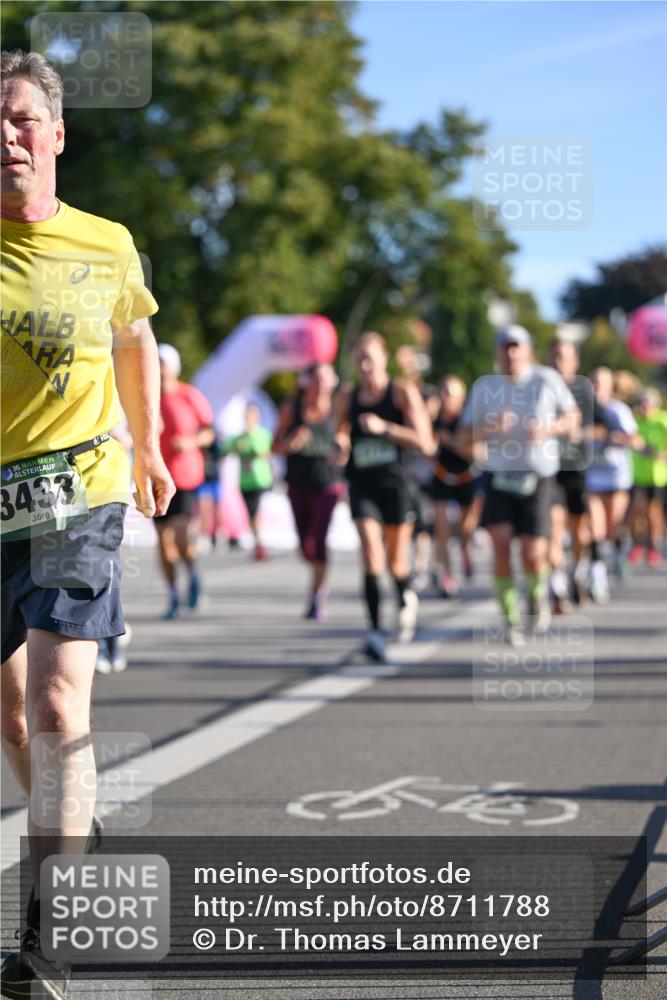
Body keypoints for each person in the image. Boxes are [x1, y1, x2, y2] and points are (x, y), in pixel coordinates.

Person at [1, 50, 174, 998]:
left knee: (59, 708)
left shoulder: (104, 243)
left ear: (56, 134)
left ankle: (41, 937)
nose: (6, 136)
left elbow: (131, 338)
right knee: (12, 714)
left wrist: (147, 450)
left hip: (79, 492)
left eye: (22, 118)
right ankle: (72, 826)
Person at [456, 326, 580, 645]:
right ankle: (510, 617)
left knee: (533, 553)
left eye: (516, 347)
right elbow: (462, 439)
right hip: (498, 477)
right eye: (504, 347)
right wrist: (488, 429)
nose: (510, 354)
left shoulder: (545, 380)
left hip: (536, 477)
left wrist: (548, 429)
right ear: (497, 352)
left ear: (527, 350)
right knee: (500, 543)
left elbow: (573, 419)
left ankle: (536, 595)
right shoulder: (485, 387)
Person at [335, 331, 435, 662]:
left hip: (398, 485)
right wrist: (340, 446)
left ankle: (406, 593)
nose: (364, 364)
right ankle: (375, 633)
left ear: (384, 358)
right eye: (359, 358)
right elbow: (340, 432)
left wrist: (386, 429)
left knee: (395, 562)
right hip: (363, 484)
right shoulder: (347, 396)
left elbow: (425, 441)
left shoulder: (402, 392)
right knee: (370, 553)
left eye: (370, 357)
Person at [272, 363, 345, 619]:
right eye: (316, 379)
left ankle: (317, 596)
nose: (321, 385)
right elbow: (275, 446)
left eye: (326, 380)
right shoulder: (292, 409)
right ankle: (316, 580)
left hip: (328, 484)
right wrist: (291, 443)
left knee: (319, 540)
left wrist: (343, 453)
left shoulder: (338, 410)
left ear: (333, 383)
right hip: (298, 483)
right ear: (307, 382)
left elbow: (347, 443)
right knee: (305, 547)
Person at [155, 343, 215, 619]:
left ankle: (192, 573)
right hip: (156, 475)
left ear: (174, 367)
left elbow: (210, 432)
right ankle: (172, 595)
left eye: (163, 362)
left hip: (186, 476)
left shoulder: (189, 395)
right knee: (164, 542)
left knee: (179, 535)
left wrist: (191, 442)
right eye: (155, 362)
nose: (159, 367)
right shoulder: (147, 397)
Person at [586, 367, 641, 601]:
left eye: (602, 383)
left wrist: (613, 437)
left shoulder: (618, 410)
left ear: (611, 386)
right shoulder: (581, 410)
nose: (597, 387)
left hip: (616, 477)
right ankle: (597, 577)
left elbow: (635, 440)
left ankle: (620, 550)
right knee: (595, 529)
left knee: (613, 527)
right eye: (594, 382)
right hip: (592, 478)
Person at [548, 339, 594, 611]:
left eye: (564, 357)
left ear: (575, 361)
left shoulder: (582, 390)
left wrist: (579, 432)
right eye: (554, 355)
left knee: (579, 530)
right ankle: (557, 586)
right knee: (553, 526)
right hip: (549, 470)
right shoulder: (540, 387)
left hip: (575, 468)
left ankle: (578, 573)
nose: (558, 361)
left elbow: (600, 429)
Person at [430, 375, 481, 597]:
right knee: (441, 529)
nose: (446, 397)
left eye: (451, 392)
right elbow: (425, 449)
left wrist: (451, 441)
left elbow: (477, 454)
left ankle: (466, 550)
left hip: (466, 477)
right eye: (443, 392)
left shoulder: (467, 420)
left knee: (465, 528)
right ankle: (447, 575)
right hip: (442, 477)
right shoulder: (434, 420)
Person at [221, 402, 273, 560]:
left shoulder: (263, 434)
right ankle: (258, 541)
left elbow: (264, 452)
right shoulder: (239, 437)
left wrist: (249, 442)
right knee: (251, 513)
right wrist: (236, 446)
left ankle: (260, 542)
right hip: (245, 481)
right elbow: (225, 450)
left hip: (260, 479)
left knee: (256, 510)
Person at [629, 387, 667, 566]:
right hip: (637, 475)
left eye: (648, 403)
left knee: (654, 512)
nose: (644, 407)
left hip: (658, 476)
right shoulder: (633, 421)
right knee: (637, 510)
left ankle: (653, 546)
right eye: (641, 403)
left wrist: (660, 454)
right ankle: (638, 542)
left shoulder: (663, 420)